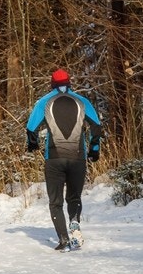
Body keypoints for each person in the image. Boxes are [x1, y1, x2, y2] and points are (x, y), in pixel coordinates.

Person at [25, 68, 103, 251]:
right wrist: (94, 149)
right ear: (69, 83)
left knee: (55, 201)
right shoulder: (82, 101)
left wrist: (33, 144)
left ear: (52, 83)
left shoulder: (44, 102)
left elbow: (31, 128)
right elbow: (97, 127)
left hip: (54, 158)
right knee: (74, 197)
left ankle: (63, 240)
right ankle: (74, 222)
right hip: (78, 158)